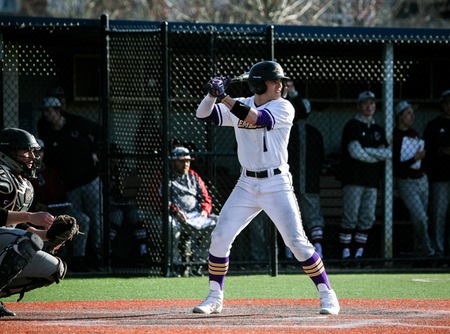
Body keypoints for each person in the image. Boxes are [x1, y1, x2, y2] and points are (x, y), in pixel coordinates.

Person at [193, 60, 339, 315]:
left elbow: (257, 119)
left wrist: (224, 96)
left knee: (297, 242)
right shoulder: (241, 103)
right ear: (261, 84)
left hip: (276, 183)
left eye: (281, 81)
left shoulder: (284, 106)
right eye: (275, 81)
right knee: (219, 237)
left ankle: (328, 294)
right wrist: (211, 94)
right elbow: (204, 114)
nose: (281, 85)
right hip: (246, 183)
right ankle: (215, 297)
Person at [0, 128, 67, 317]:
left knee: (54, 269)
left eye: (33, 151)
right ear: (9, 152)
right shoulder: (1, 175)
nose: (32, 156)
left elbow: (16, 229)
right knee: (27, 241)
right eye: (26, 151)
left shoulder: (23, 183)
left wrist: (50, 235)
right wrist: (30, 216)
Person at [37, 96, 103, 270]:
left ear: (58, 111)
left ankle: (98, 256)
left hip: (90, 180)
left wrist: (95, 152)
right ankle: (79, 258)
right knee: (79, 221)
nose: (46, 114)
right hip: (70, 184)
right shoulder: (46, 130)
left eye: (49, 111)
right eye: (44, 111)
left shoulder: (75, 123)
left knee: (96, 218)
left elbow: (99, 131)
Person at [338, 91, 392, 265]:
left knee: (367, 218)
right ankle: (346, 253)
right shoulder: (352, 126)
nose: (370, 107)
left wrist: (367, 151)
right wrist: (376, 153)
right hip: (353, 179)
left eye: (373, 103)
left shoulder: (378, 129)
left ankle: (359, 253)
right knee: (350, 217)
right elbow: (355, 152)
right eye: (366, 103)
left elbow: (388, 153)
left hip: (372, 181)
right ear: (359, 106)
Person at [29, 139, 91, 271]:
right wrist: (36, 206)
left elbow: (60, 195)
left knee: (83, 219)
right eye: (35, 151)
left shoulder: (51, 172)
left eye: (40, 151)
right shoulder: (25, 172)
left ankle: (78, 259)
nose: (38, 154)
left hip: (55, 209)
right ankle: (44, 258)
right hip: (35, 213)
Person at [287, 83, 326, 258]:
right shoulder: (288, 131)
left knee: (301, 216)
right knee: (296, 216)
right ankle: (292, 251)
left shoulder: (310, 133)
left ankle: (316, 248)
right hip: (293, 181)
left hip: (305, 182)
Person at [393, 101, 435, 258]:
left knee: (421, 218)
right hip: (407, 181)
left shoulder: (414, 134)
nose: (412, 117)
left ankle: (419, 252)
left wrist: (420, 157)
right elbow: (397, 166)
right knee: (421, 217)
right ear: (400, 116)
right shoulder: (395, 136)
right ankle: (429, 252)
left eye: (412, 113)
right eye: (408, 113)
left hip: (421, 179)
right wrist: (413, 159)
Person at [166, 146, 217, 277]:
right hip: (175, 217)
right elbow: (160, 199)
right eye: (181, 161)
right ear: (173, 161)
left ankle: (197, 263)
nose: (185, 164)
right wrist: (175, 211)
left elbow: (206, 197)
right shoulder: (165, 177)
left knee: (218, 223)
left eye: (188, 161)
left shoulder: (194, 176)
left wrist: (205, 211)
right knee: (171, 225)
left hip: (195, 216)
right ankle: (175, 265)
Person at [423, 89, 450, 262]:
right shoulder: (433, 125)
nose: (449, 105)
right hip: (439, 178)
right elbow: (426, 152)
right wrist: (442, 150)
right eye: (447, 102)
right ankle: (438, 253)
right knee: (438, 216)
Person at [109, 143, 148, 263]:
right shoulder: (104, 171)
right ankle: (108, 250)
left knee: (137, 214)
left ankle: (143, 249)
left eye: (118, 158)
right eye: (113, 158)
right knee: (117, 216)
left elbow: (130, 189)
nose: (116, 161)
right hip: (110, 205)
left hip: (125, 203)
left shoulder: (123, 170)